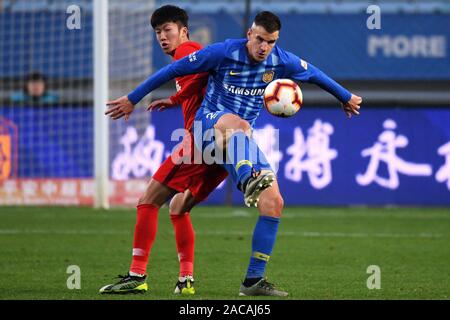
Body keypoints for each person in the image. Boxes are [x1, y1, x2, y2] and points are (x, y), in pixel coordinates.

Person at [106, 11, 362, 296]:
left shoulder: (281, 61)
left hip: (236, 143)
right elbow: (172, 72)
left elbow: (314, 74)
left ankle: (252, 280)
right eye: (260, 40)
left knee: (274, 202)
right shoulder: (224, 52)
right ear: (250, 34)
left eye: (271, 42)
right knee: (236, 127)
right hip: (207, 130)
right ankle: (247, 179)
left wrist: (346, 97)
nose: (264, 47)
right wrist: (132, 98)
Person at [99, 5, 228, 295]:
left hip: (200, 141)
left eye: (167, 30)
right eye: (158, 32)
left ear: (184, 31)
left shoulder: (188, 51)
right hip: (222, 147)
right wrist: (177, 98)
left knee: (147, 200)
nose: (162, 37)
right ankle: (186, 280)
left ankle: (137, 274)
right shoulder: (194, 55)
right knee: (178, 207)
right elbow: (206, 81)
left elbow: (200, 80)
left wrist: (174, 98)